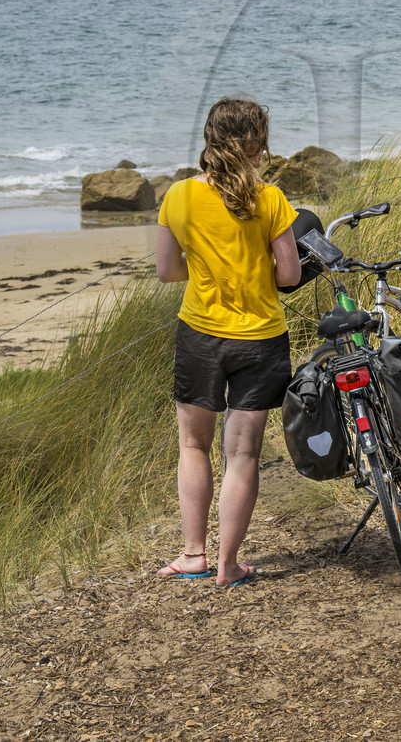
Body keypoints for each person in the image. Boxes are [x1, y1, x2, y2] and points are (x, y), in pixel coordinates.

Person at [155, 95, 301, 589]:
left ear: (209, 138)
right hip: (261, 339)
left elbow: (166, 271)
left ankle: (193, 554)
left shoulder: (177, 196)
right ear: (258, 143)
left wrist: (206, 268)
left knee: (193, 445)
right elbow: (288, 274)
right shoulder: (272, 199)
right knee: (243, 456)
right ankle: (228, 564)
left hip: (199, 335)